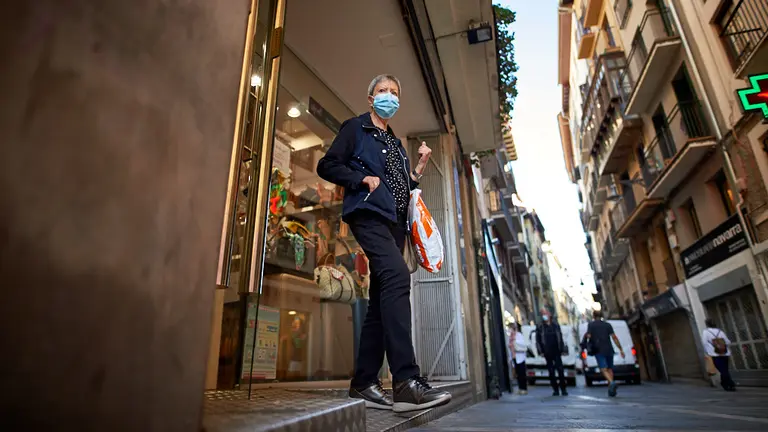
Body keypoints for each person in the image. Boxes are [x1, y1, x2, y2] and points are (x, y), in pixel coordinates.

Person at [316, 74, 451, 413]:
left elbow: (402, 187)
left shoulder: (394, 143)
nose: (389, 96)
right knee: (397, 278)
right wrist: (360, 178)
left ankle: (363, 382)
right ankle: (406, 381)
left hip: (394, 225)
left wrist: (417, 168)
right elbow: (327, 164)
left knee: (380, 299)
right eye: (382, 91)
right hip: (368, 215)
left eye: (394, 92)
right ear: (369, 97)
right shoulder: (355, 128)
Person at [583, 310, 624, 397]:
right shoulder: (607, 325)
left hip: (598, 349)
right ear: (601, 316)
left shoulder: (591, 325)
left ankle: (612, 383)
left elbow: (589, 336)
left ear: (593, 316)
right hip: (609, 349)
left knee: (603, 369)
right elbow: (614, 337)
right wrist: (621, 349)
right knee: (609, 369)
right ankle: (611, 390)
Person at [535, 308, 568, 396]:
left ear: (549, 314)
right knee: (551, 371)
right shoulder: (540, 326)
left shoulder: (555, 325)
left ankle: (563, 389)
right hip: (547, 351)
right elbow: (537, 340)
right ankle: (555, 390)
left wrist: (562, 349)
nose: (544, 316)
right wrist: (540, 351)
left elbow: (560, 337)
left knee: (560, 370)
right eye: (542, 314)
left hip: (557, 351)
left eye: (545, 313)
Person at [702, 318, 735, 392]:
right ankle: (727, 384)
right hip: (725, 352)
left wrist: (707, 351)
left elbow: (704, 343)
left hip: (714, 354)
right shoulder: (720, 331)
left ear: (707, 324)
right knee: (725, 369)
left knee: (722, 370)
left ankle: (730, 384)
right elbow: (727, 341)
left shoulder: (706, 332)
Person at [508, 322, 528, 395]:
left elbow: (523, 344)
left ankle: (524, 388)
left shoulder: (519, 335)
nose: (510, 330)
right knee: (518, 374)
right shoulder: (510, 337)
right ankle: (520, 388)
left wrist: (515, 341)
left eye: (510, 328)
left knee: (522, 373)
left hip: (520, 356)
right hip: (514, 357)